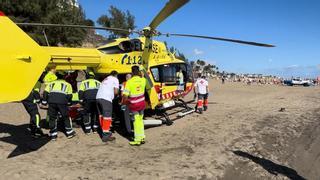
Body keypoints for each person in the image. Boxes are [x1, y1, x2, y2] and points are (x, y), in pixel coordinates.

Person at [42, 73, 76, 140]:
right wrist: (69, 103)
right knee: (66, 116)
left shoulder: (51, 83)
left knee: (52, 118)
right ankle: (69, 133)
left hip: (52, 101)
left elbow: (45, 93)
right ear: (64, 78)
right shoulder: (68, 84)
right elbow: (69, 95)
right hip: (62, 101)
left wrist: (44, 102)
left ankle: (53, 135)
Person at [123, 66, 147, 146]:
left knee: (136, 122)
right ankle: (142, 137)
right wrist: (142, 73)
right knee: (140, 121)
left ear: (132, 72)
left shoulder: (129, 82)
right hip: (142, 104)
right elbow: (143, 76)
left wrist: (125, 102)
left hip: (134, 105)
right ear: (139, 72)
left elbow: (125, 95)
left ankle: (137, 140)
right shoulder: (143, 80)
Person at [96, 71, 119, 142]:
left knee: (101, 115)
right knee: (107, 117)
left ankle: (103, 130)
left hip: (98, 98)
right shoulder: (115, 79)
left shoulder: (105, 79)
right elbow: (116, 91)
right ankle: (106, 135)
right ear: (116, 75)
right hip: (106, 99)